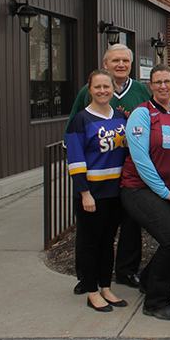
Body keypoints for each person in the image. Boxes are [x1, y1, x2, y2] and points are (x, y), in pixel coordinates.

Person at [67, 44, 150, 292]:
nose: (121, 64)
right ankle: (86, 277)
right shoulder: (88, 92)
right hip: (95, 179)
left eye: (125, 60)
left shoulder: (140, 92)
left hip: (126, 177)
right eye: (115, 60)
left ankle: (126, 271)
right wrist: (80, 179)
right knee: (90, 233)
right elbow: (74, 129)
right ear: (106, 63)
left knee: (130, 226)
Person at [121, 64, 170, 321]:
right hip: (138, 189)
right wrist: (165, 193)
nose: (163, 86)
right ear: (150, 86)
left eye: (167, 81)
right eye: (158, 82)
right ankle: (155, 301)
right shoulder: (141, 115)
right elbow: (141, 160)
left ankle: (149, 280)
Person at [65, 69, 128, 312]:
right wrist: (84, 193)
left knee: (107, 242)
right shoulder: (81, 120)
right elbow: (76, 159)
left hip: (115, 192)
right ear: (89, 90)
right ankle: (92, 290)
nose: (102, 91)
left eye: (107, 87)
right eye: (97, 87)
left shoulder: (120, 117)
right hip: (92, 194)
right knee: (91, 243)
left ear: (113, 89)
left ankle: (105, 286)